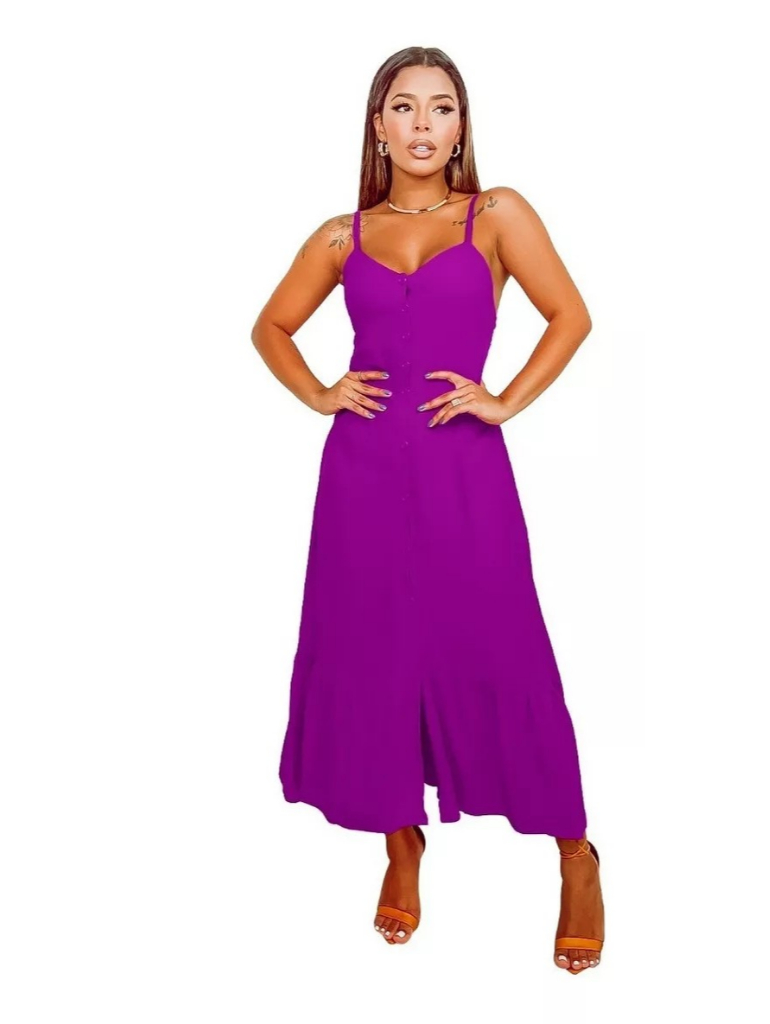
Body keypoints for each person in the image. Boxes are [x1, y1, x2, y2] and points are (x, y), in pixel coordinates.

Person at [251, 46, 604, 975]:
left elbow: (570, 315)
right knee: (375, 653)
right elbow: (269, 327)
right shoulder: (342, 236)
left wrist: (506, 399)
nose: (422, 124)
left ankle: (575, 851)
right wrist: (319, 392)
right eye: (403, 107)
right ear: (377, 127)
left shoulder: (497, 214)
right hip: (360, 479)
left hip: (463, 473)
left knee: (504, 648)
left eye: (440, 108)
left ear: (460, 126)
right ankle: (400, 841)